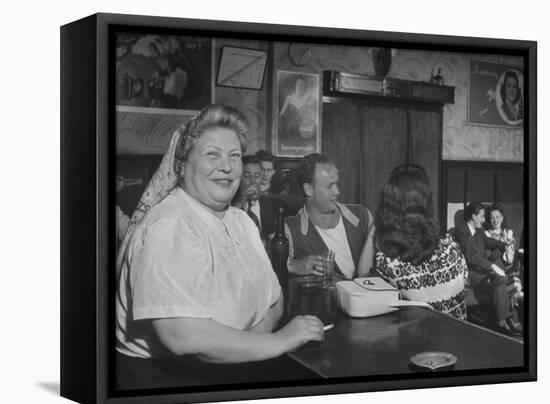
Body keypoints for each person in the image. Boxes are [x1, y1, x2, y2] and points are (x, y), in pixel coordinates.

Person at [116, 105, 325, 389]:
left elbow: (275, 300)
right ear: (182, 164)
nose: (226, 166)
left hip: (232, 369)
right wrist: (277, 341)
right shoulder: (170, 224)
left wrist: (253, 343)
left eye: (234, 156)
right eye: (212, 154)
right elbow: (182, 336)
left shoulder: (241, 220)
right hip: (165, 383)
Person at [373, 164, 468, 319]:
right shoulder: (451, 247)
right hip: (461, 339)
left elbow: (361, 286)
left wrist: (378, 222)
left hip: (420, 342)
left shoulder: (387, 262)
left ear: (389, 206)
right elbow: (464, 285)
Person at [284, 154, 375, 280]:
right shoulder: (290, 229)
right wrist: (291, 266)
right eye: (329, 186)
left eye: (336, 184)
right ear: (309, 189)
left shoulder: (362, 216)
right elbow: (267, 270)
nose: (337, 192)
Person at [454, 202, 521, 335]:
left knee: (500, 281)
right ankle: (509, 320)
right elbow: (471, 256)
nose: (485, 220)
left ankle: (502, 322)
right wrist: (493, 266)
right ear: (473, 216)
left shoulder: (479, 232)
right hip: (470, 275)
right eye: (482, 216)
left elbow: (491, 242)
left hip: (482, 273)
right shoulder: (461, 231)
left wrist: (505, 245)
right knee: (500, 277)